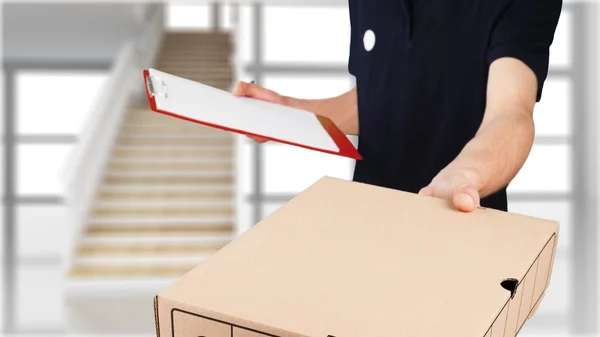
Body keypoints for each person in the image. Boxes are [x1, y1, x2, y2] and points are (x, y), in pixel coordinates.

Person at [233, 0, 563, 213]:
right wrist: (287, 112)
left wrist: (467, 175)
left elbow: (511, 113)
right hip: (369, 224)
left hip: (462, 230)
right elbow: (379, 100)